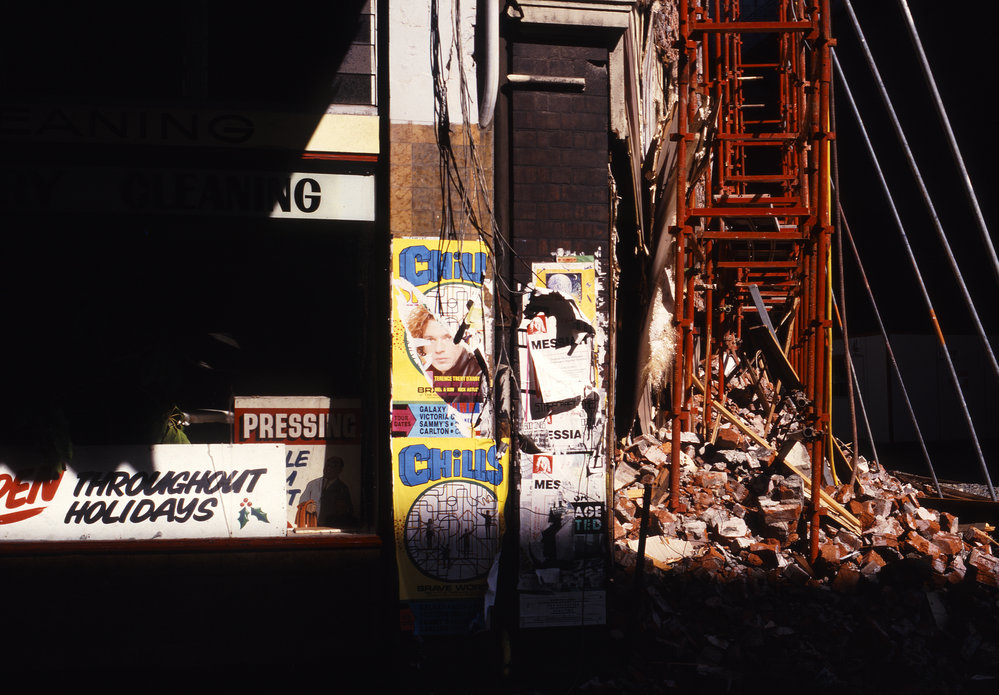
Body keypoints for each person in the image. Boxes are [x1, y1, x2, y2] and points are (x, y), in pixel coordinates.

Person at [406, 304, 482, 406]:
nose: (439, 349)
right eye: (431, 340)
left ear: (464, 337)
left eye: (448, 338)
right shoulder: (420, 376)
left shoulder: (479, 376)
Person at [298, 453, 355, 528]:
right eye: (327, 466)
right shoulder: (312, 484)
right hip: (313, 525)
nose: (329, 469)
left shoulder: (343, 488)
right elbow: (302, 501)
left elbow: (349, 511)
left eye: (334, 466)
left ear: (340, 470)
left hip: (332, 527)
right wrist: (307, 506)